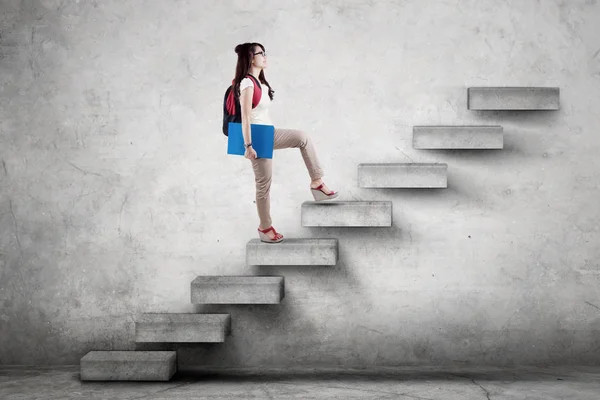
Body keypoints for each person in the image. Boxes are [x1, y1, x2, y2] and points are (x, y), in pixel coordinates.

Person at [232, 42, 338, 243]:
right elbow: (245, 117)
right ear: (250, 57)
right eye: (260, 53)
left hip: (267, 133)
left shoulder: (259, 82)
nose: (265, 56)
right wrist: (248, 146)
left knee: (302, 138)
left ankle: (317, 182)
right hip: (256, 138)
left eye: (265, 53)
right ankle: (265, 228)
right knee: (264, 185)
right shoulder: (246, 83)